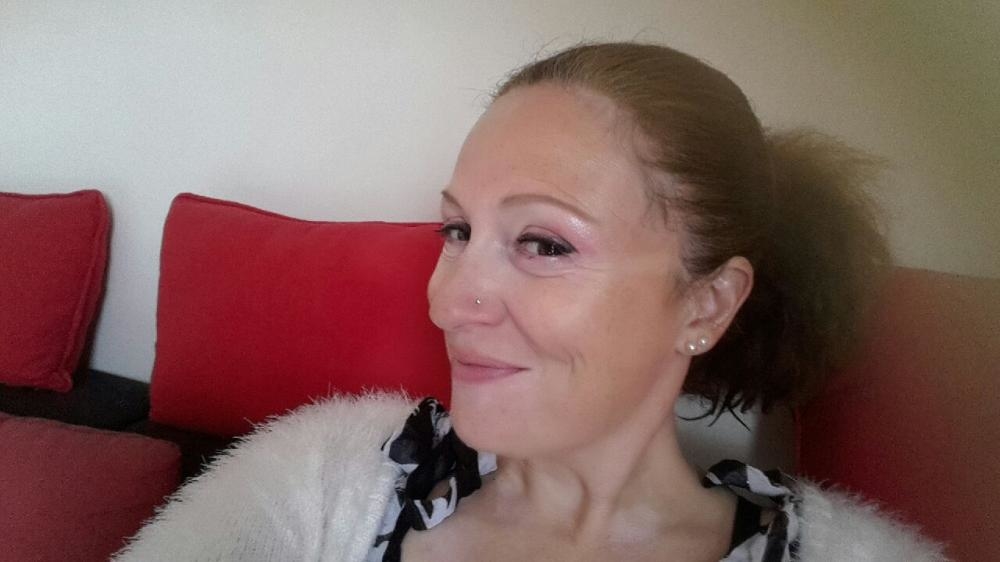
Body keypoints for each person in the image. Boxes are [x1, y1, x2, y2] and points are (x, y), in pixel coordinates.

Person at [113, 43, 947, 561]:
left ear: (707, 303)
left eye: (545, 244)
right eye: (457, 231)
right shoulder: (329, 482)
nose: (448, 301)